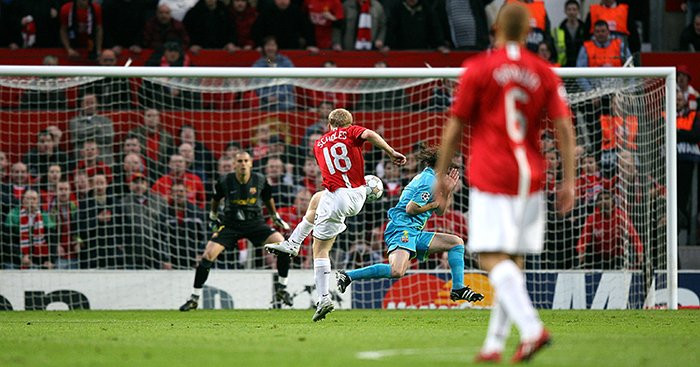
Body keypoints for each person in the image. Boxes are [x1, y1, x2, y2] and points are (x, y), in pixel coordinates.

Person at [434, 3, 575, 363]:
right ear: (530, 32)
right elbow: (563, 128)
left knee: (489, 256)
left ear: (494, 28)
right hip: (532, 175)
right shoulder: (544, 71)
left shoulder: (479, 68)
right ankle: (494, 345)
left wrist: (439, 173)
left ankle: (531, 329)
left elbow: (455, 126)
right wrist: (569, 180)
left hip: (492, 173)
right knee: (512, 261)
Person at [264, 108, 407, 321]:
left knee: (320, 249)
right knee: (315, 199)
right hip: (357, 195)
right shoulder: (352, 132)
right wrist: (390, 151)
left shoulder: (318, 143)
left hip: (338, 196)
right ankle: (292, 243)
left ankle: (322, 297)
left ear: (329, 124)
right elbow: (368, 134)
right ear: (349, 124)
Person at [336, 146, 484, 304]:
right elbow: (411, 208)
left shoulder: (433, 178)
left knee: (456, 243)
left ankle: (458, 288)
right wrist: (432, 205)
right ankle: (349, 275)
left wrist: (447, 192)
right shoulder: (429, 181)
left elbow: (441, 211)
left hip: (415, 231)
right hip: (402, 228)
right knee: (397, 270)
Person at [179, 151, 293, 311]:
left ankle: (282, 288)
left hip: (255, 223)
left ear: (251, 163)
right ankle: (194, 298)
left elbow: (268, 198)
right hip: (231, 224)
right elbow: (216, 198)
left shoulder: (260, 180)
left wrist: (275, 216)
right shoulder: (225, 181)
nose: (243, 164)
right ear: (234, 164)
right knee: (208, 255)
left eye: (246, 160)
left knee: (284, 246)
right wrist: (213, 215)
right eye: (239, 161)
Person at [69, 93, 115, 165]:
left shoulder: (106, 120)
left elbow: (108, 137)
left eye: (92, 102)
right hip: (82, 162)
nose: (89, 105)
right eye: (87, 103)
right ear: (81, 104)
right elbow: (80, 133)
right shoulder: (74, 121)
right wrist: (97, 128)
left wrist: (87, 134)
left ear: (97, 104)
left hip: (104, 161)